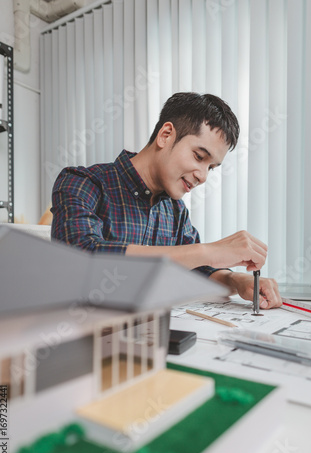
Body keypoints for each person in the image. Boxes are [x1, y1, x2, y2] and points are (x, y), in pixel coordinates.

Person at [51, 92, 282, 309]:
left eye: (210, 167)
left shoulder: (175, 210)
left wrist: (236, 279)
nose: (202, 176)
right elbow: (81, 258)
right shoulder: (82, 182)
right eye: (199, 157)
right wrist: (208, 251)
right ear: (166, 135)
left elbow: (198, 270)